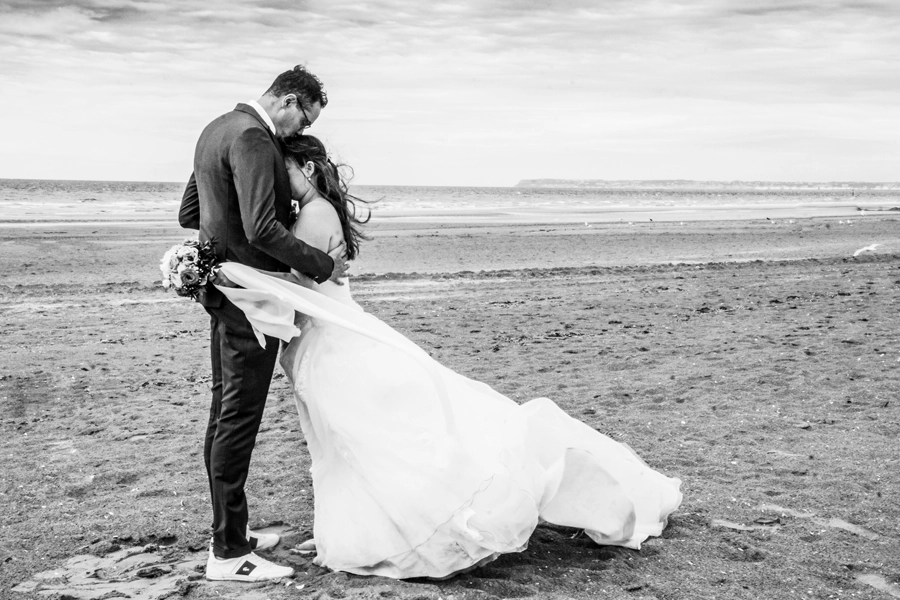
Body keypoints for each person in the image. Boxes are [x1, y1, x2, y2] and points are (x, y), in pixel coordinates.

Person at [212, 135, 684, 579]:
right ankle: (351, 529)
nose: (276, 179)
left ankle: (392, 532)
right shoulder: (315, 211)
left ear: (306, 167)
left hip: (333, 343)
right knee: (345, 445)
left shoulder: (314, 217)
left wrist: (231, 277)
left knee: (365, 442)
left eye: (284, 169)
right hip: (326, 338)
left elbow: (303, 287)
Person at [178, 65, 348, 582]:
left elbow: (190, 212)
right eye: (303, 121)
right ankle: (229, 555)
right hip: (250, 298)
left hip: (221, 290)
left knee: (223, 411)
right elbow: (263, 228)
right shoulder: (254, 136)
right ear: (291, 100)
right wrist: (324, 266)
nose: (297, 133)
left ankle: (232, 532)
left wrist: (216, 243)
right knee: (238, 418)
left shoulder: (217, 128)